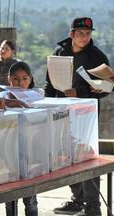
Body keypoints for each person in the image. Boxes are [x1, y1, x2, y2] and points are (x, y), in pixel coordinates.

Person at [45, 17, 110, 216]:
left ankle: (92, 207)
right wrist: (46, 106)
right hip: (62, 114)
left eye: (88, 33)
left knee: (87, 158)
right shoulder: (59, 53)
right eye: (80, 33)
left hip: (85, 115)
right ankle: (77, 199)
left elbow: (108, 87)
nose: (84, 37)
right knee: (67, 157)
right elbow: (49, 84)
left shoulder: (97, 56)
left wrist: (80, 93)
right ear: (71, 34)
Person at [0, 61, 39, 216]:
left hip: (29, 151)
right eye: (16, 79)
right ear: (9, 79)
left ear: (31, 79)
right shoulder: (0, 97)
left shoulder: (35, 98)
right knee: (10, 196)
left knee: (30, 196)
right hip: (7, 151)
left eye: (24, 79)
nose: (20, 83)